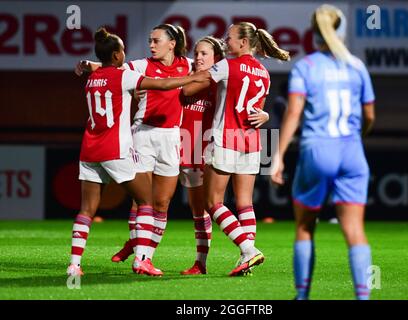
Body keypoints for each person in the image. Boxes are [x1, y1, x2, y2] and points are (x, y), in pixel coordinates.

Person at [67, 27, 208, 277]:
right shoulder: (141, 66)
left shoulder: (188, 64)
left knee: (162, 202)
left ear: (172, 44)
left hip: (171, 136)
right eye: (149, 40)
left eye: (156, 41)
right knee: (143, 201)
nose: (151, 45)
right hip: (141, 135)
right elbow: (113, 71)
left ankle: (141, 254)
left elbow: (109, 71)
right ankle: (140, 255)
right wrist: (88, 63)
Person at [270, 4, 376, 300]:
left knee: (305, 226)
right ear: (341, 32)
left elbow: (293, 113)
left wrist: (277, 155)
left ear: (313, 34)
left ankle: (302, 296)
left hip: (317, 151)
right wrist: (357, 137)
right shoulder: (357, 65)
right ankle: (363, 296)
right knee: (355, 230)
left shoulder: (307, 66)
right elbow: (370, 115)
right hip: (351, 152)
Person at [184, 22, 289, 276]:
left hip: (225, 138)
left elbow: (191, 87)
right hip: (252, 142)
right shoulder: (264, 73)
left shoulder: (226, 66)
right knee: (245, 203)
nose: (225, 41)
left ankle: (248, 249)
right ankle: (245, 259)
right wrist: (264, 115)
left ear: (243, 42)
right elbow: (257, 112)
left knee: (213, 202)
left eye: (229, 38)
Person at [178, 36, 226, 275]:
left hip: (198, 149)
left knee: (200, 210)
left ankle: (201, 262)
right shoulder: (188, 70)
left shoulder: (216, 80)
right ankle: (140, 253)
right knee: (149, 203)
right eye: (196, 53)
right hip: (174, 145)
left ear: (216, 58)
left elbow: (186, 89)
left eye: (204, 53)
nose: (198, 57)